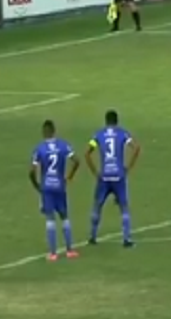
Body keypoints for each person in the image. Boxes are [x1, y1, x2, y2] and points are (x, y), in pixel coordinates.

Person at [85, 110, 140, 247]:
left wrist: (95, 172)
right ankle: (126, 239)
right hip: (118, 176)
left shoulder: (98, 135)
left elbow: (87, 153)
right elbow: (136, 148)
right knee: (124, 207)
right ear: (117, 121)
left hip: (104, 176)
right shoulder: (122, 133)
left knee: (97, 205)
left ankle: (92, 237)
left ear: (106, 121)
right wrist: (128, 167)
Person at [29, 120, 80, 261]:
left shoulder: (39, 148)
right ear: (54, 131)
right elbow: (76, 161)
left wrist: (37, 186)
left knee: (50, 219)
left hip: (47, 187)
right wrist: (68, 177)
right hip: (60, 186)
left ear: (43, 132)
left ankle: (53, 253)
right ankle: (70, 250)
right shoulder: (63, 145)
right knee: (64, 217)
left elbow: (32, 171)